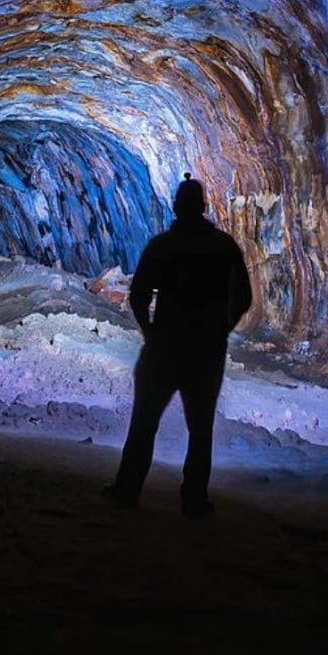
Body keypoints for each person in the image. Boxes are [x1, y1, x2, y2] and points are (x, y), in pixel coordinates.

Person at [104, 173, 253, 517]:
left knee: (144, 421)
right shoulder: (224, 246)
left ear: (176, 206)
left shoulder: (162, 246)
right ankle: (194, 499)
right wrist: (223, 328)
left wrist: (150, 332)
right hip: (207, 349)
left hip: (165, 346)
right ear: (203, 207)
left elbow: (139, 296)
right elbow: (244, 296)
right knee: (201, 429)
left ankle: (127, 490)